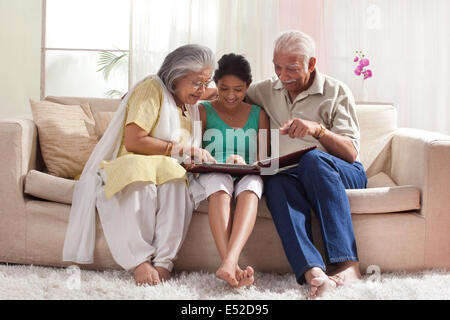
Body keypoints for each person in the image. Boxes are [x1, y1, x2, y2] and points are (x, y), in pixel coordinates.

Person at [63, 44, 216, 286]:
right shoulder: (152, 89)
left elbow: (223, 91)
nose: (203, 89)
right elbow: (135, 140)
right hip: (133, 161)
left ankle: (164, 262)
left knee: (178, 178)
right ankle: (140, 261)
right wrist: (180, 148)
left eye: (206, 82)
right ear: (176, 76)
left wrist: (209, 88)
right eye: (198, 82)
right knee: (140, 174)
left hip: (166, 167)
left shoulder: (189, 102)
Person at [245, 31, 367, 298]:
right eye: (277, 67)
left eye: (292, 68)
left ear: (311, 64)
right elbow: (228, 93)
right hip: (293, 175)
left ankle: (349, 266)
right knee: (275, 181)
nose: (282, 75)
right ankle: (314, 271)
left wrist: (317, 130)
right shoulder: (264, 91)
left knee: (312, 159)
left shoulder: (336, 91)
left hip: (342, 172)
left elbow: (351, 153)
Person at [191, 53, 270, 287]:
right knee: (219, 183)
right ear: (216, 85)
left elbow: (264, 160)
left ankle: (229, 263)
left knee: (252, 187)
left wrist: (244, 164)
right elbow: (193, 151)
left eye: (238, 89)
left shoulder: (260, 115)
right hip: (213, 172)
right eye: (224, 89)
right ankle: (231, 264)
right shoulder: (203, 111)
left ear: (248, 87)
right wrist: (216, 159)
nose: (231, 96)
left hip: (247, 172)